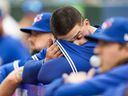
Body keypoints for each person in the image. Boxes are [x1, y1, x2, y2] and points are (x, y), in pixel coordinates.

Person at [44, 17, 128, 96]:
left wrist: (68, 81)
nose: (96, 50)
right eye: (98, 44)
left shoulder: (124, 72)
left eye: (105, 45)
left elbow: (57, 92)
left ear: (125, 49)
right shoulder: (104, 71)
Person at [22, 6, 101, 84]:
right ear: (56, 38)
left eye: (78, 36)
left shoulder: (103, 42)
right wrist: (45, 61)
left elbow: (45, 74)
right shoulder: (57, 45)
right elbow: (27, 69)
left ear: (86, 23)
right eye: (69, 43)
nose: (76, 44)